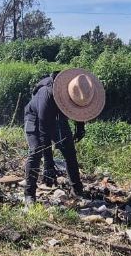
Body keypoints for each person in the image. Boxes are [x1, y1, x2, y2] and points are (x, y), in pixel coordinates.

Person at [23, 68, 106, 206]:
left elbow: (80, 108)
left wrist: (80, 128)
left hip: (57, 119)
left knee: (70, 152)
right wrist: (48, 164)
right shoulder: (47, 94)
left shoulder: (80, 91)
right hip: (36, 119)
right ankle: (29, 194)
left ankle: (77, 190)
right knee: (36, 151)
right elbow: (44, 131)